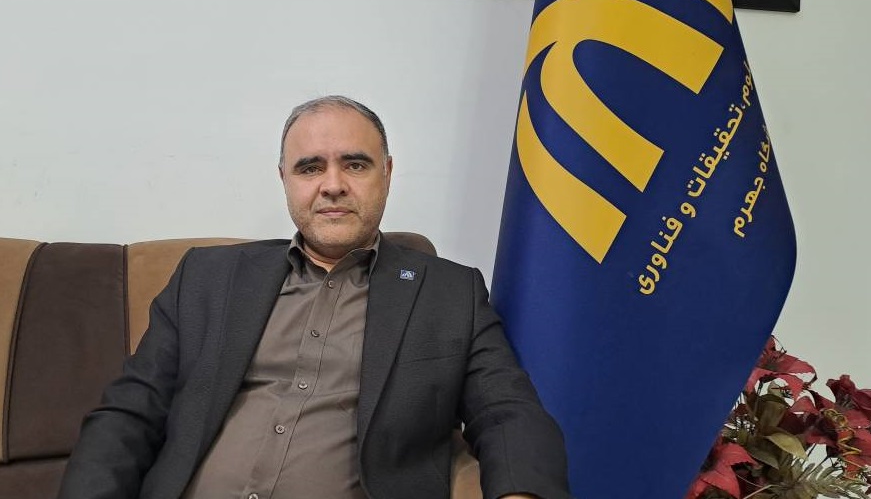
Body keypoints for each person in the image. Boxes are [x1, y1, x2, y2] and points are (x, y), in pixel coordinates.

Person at [58, 96, 570, 499]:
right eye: (309, 168)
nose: (332, 185)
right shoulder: (207, 277)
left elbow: (507, 412)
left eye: (355, 164)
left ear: (387, 173)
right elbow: (130, 412)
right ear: (284, 179)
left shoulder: (449, 293)